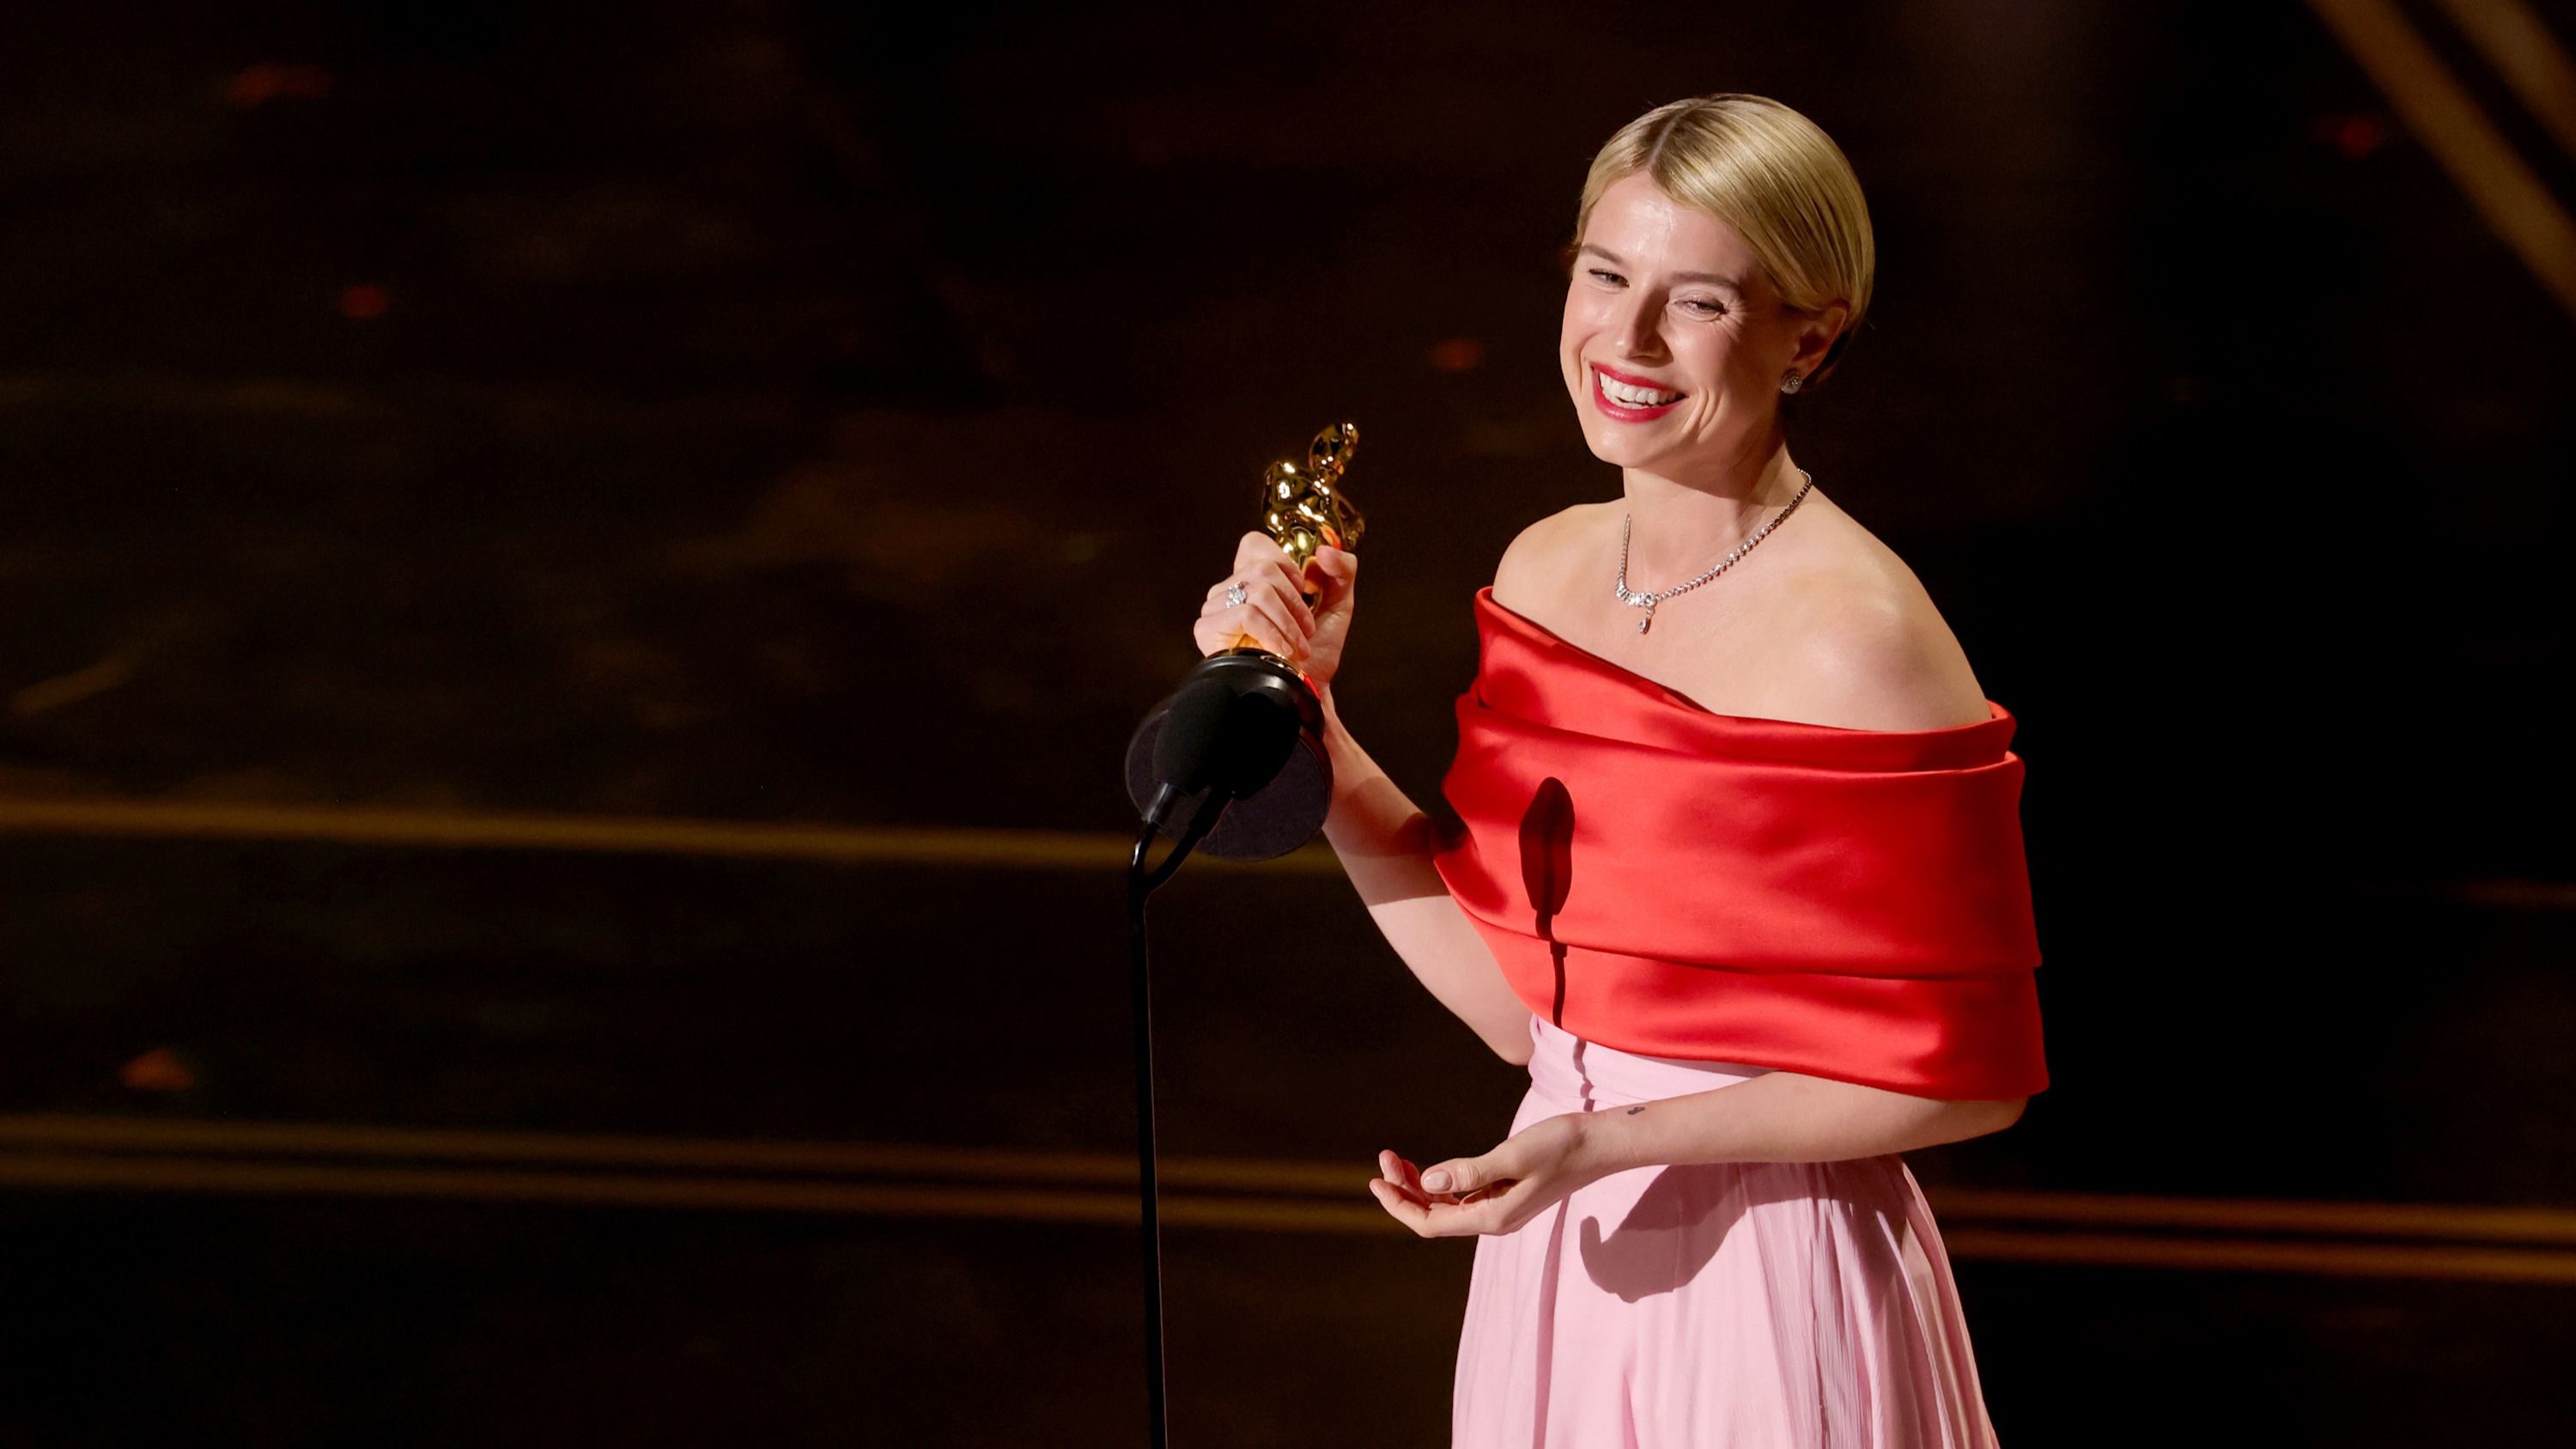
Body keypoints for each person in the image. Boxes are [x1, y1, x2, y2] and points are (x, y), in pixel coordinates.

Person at [1191, 94, 2045, 1448]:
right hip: (1560, 1246)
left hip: (1773, 1273)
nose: (1627, 341)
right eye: (1605, 276)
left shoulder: (1858, 638)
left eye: (1697, 300)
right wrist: (1316, 729)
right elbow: (1533, 1010)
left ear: (1807, 337)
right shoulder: (1547, 568)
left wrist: (1605, 1144)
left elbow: (1972, 1076)